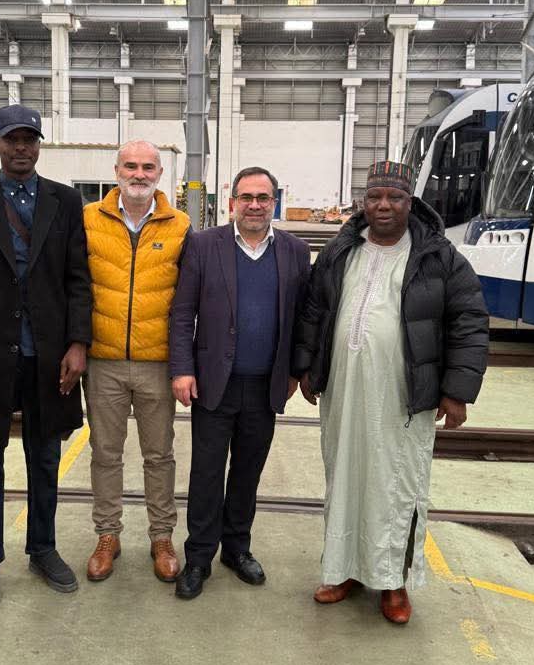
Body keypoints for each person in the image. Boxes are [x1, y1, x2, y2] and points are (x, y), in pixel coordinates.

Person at [291, 160, 489, 624]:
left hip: (404, 395)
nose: (384, 205)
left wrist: (456, 391)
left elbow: (469, 321)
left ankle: (392, 581)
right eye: (375, 197)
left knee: (396, 485)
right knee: (345, 478)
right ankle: (343, 569)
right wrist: (306, 368)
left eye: (394, 197)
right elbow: (315, 310)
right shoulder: (341, 250)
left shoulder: (439, 257)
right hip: (344, 391)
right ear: (363, 202)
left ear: (409, 202)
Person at [0, 104, 92, 613]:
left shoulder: (65, 202)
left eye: (29, 139)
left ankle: (42, 548)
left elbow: (77, 280)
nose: (21, 147)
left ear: (39, 144)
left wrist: (78, 344)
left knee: (45, 459)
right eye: (12, 139)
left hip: (48, 357)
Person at [169, 166, 311, 599]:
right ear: (232, 202)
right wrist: (182, 368)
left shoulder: (295, 251)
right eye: (246, 197)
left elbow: (303, 318)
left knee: (248, 472)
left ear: (274, 202)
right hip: (214, 382)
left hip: (265, 385)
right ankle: (198, 557)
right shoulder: (203, 245)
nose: (254, 205)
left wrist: (294, 371)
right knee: (207, 474)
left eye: (262, 197)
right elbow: (182, 313)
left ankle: (236, 549)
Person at [82, 141, 190, 583]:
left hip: (156, 362)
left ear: (160, 174)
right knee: (105, 454)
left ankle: (161, 537)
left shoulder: (180, 225)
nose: (139, 174)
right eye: (131, 166)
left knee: (159, 455)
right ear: (116, 170)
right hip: (103, 360)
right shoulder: (89, 219)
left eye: (148, 167)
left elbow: (188, 300)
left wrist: (185, 362)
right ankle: (107, 535)